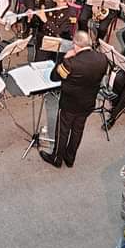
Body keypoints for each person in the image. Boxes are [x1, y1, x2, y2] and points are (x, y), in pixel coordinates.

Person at [41, 31, 108, 168]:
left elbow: (54, 77)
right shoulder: (103, 58)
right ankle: (70, 158)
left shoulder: (70, 63)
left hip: (69, 104)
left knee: (63, 131)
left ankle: (57, 158)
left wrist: (64, 58)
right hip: (88, 103)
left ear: (76, 45)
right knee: (77, 131)